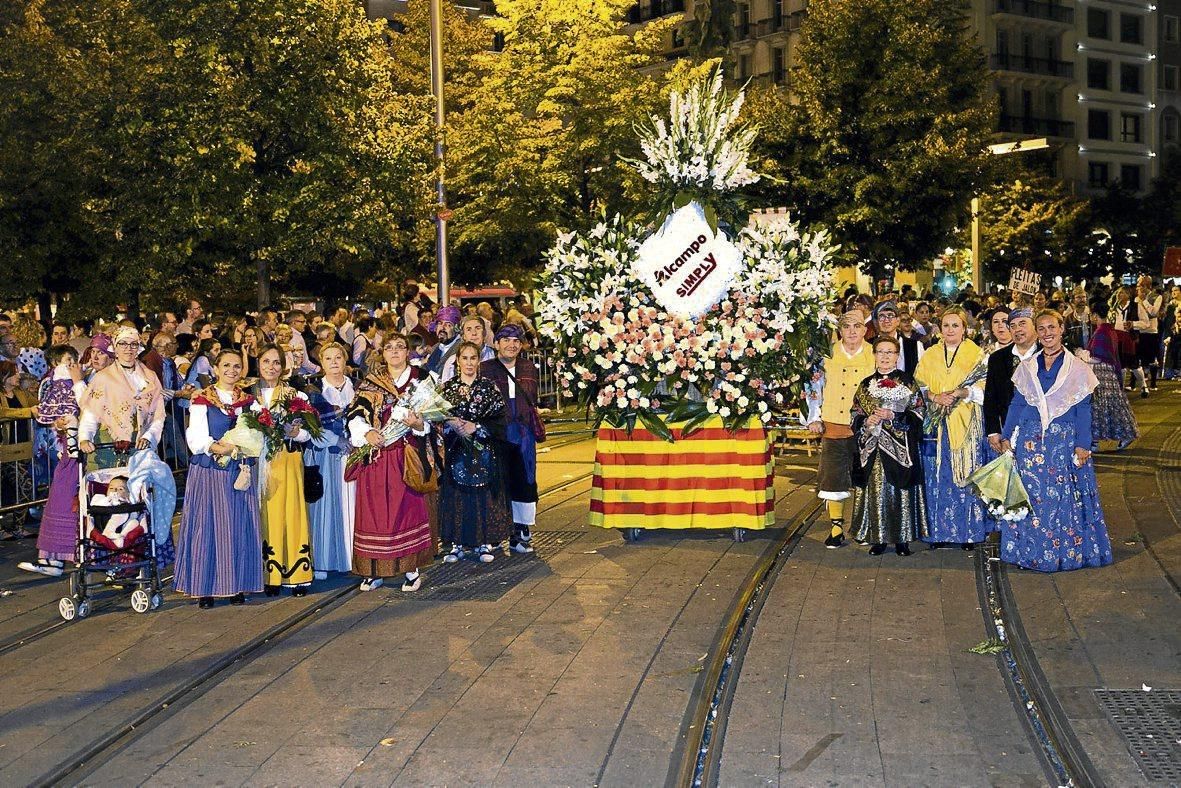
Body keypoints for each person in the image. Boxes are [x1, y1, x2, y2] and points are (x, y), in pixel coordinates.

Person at [997, 311, 1112, 572]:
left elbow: (1084, 409)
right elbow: (1017, 403)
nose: (1047, 332)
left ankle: (1060, 554)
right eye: (1042, 328)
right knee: (1030, 497)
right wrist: (1006, 436)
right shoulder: (1027, 367)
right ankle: (1029, 553)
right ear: (1037, 332)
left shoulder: (1079, 368)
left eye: (1052, 327)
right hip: (1029, 441)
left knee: (1060, 498)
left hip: (1062, 441)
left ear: (1062, 330)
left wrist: (1083, 444)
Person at [173, 350, 263, 608]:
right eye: (226, 365)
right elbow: (195, 438)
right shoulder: (202, 399)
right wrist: (218, 448)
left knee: (238, 525)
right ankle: (205, 587)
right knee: (207, 526)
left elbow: (260, 432)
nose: (232, 371)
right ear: (215, 368)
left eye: (236, 366)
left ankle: (237, 584)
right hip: (210, 471)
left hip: (239, 471)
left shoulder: (248, 402)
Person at [346, 333, 434, 592]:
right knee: (373, 516)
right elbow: (355, 413)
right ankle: (373, 570)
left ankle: (410, 569)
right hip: (377, 456)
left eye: (400, 347)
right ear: (382, 353)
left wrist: (420, 424)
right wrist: (367, 432)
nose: (395, 352)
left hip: (406, 456)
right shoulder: (371, 383)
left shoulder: (422, 379)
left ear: (408, 351)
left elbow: (434, 417)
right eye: (389, 348)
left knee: (405, 513)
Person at [914, 306, 989, 549]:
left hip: (965, 423)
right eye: (946, 325)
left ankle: (967, 533)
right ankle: (935, 533)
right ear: (939, 329)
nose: (950, 330)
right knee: (934, 476)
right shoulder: (930, 354)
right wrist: (935, 396)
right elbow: (918, 384)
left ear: (964, 328)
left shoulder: (976, 353)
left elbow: (984, 386)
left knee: (965, 475)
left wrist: (963, 393)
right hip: (935, 425)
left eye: (955, 325)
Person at [250, 344, 322, 597]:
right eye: (266, 361)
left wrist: (297, 432)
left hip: (288, 460)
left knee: (291, 514)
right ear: (258, 363)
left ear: (284, 366)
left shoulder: (295, 395)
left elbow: (309, 433)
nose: (271, 367)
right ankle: (269, 575)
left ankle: (297, 575)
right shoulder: (247, 395)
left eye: (276, 362)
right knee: (265, 516)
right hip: (258, 463)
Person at [850, 337, 928, 556]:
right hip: (872, 450)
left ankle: (902, 539)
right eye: (881, 352)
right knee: (877, 491)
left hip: (900, 449)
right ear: (874, 354)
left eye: (890, 352)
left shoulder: (907, 382)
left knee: (899, 491)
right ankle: (879, 538)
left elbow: (919, 412)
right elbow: (854, 412)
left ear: (897, 356)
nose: (885, 356)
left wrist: (894, 416)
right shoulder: (865, 384)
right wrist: (865, 421)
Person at [804, 310, 875, 548]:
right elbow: (814, 388)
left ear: (865, 330)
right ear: (839, 330)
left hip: (866, 427)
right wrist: (814, 417)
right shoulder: (827, 355)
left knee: (865, 479)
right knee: (833, 479)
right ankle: (836, 528)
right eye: (846, 327)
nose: (852, 331)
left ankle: (864, 527)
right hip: (833, 424)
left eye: (857, 326)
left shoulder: (876, 354)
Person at [439, 342, 512, 563]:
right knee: (456, 497)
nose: (469, 363)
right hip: (456, 451)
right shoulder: (447, 388)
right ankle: (457, 544)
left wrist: (477, 427)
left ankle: (484, 542)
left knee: (483, 497)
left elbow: (501, 419)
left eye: (473, 358)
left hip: (484, 452)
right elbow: (435, 418)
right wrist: (450, 422)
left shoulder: (489, 387)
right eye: (465, 358)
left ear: (478, 361)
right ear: (457, 361)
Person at [18, 346, 86, 576]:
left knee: (70, 502)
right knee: (60, 502)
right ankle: (53, 558)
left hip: (83, 452)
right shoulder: (54, 384)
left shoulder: (82, 380)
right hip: (68, 452)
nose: (73, 364)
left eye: (74, 359)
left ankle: (61, 558)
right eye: (68, 360)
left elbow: (88, 408)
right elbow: (50, 417)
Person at [481, 325, 542, 554]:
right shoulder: (485, 368)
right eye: (505, 340)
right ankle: (496, 534)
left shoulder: (527, 367)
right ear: (496, 343)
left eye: (516, 340)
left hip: (523, 436)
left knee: (523, 481)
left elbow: (531, 399)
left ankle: (519, 530)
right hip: (496, 434)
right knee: (496, 485)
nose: (511, 344)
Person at [78, 327, 165, 470]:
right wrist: (85, 438)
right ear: (115, 348)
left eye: (133, 344)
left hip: (139, 444)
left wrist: (148, 436)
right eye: (123, 343)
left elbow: (158, 414)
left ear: (138, 348)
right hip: (107, 444)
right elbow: (91, 413)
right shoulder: (103, 377)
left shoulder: (150, 377)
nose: (128, 349)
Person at [304, 343, 356, 577]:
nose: (334, 362)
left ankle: (352, 558)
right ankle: (323, 561)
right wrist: (335, 439)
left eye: (338, 357)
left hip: (354, 453)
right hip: (325, 453)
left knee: (352, 507)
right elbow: (311, 426)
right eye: (328, 358)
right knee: (324, 509)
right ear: (321, 363)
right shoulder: (314, 391)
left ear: (345, 361)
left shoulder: (357, 387)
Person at [984, 307, 1039, 455]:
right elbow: (990, 398)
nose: (1017, 329)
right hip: (1008, 430)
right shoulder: (998, 358)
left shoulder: (1046, 354)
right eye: (1013, 326)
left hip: (1042, 430)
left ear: (1035, 326)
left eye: (1022, 324)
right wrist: (993, 431)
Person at [1084, 302, 1138, 451]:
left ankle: (1095, 441)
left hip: (1102, 374)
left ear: (1095, 315)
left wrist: (1082, 356)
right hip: (1108, 374)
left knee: (1100, 407)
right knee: (1113, 407)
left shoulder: (1102, 332)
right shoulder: (1108, 330)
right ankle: (1103, 439)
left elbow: (1098, 355)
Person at [871, 301, 924, 372]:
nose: (886, 320)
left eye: (890, 315)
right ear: (876, 322)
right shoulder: (868, 346)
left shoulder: (915, 346)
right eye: (881, 316)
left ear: (898, 320)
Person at [1133, 276, 1162, 390]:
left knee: (1152, 358)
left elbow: (1153, 313)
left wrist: (1144, 301)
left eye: (1139, 285)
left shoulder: (1156, 297)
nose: (1138, 287)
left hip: (1151, 331)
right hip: (1139, 330)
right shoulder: (1136, 298)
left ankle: (1153, 383)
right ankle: (1134, 384)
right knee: (1137, 356)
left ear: (1146, 285)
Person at [424, 306, 462, 377]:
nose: (442, 328)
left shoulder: (461, 349)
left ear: (456, 329)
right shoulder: (436, 347)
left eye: (448, 325)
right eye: (440, 323)